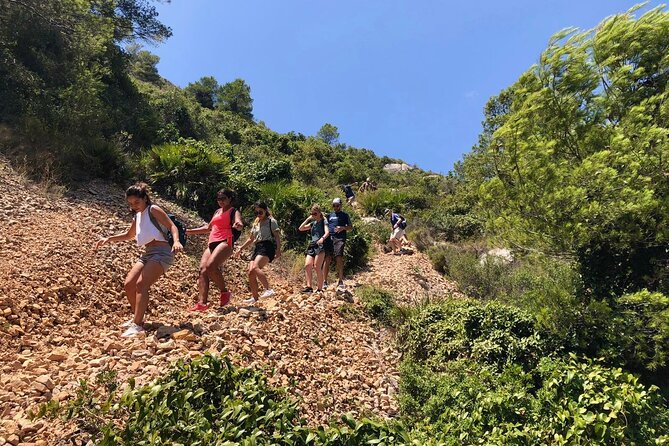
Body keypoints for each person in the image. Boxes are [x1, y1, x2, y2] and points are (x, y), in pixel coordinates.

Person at [95, 182, 183, 337]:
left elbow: (172, 226)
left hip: (163, 252)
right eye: (130, 203)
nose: (134, 205)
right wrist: (108, 238)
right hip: (148, 253)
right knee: (129, 284)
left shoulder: (153, 209)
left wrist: (176, 241)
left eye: (137, 202)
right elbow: (129, 235)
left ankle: (137, 325)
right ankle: (138, 318)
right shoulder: (137, 216)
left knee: (141, 284)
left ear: (145, 198)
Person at [185, 189, 243, 311]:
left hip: (225, 241)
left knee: (211, 266)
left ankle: (224, 292)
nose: (221, 201)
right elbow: (208, 228)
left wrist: (238, 225)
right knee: (202, 270)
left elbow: (238, 221)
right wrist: (188, 232)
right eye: (219, 199)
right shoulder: (217, 212)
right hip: (212, 242)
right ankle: (202, 303)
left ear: (230, 199)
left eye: (224, 198)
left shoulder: (234, 211)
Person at [234, 201, 282, 305]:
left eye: (260, 212)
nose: (258, 215)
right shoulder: (256, 223)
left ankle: (269, 289)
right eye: (256, 213)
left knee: (255, 267)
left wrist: (278, 250)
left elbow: (277, 237)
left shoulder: (271, 221)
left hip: (267, 246)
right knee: (251, 272)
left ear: (265, 210)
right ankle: (255, 298)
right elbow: (251, 239)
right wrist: (241, 248)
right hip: (258, 247)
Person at [323, 197, 353, 291]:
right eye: (334, 205)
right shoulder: (329, 215)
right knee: (327, 258)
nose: (336, 207)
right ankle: (324, 281)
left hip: (339, 238)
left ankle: (340, 281)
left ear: (341, 205)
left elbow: (350, 227)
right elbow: (325, 225)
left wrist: (343, 228)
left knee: (339, 257)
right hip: (329, 238)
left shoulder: (345, 215)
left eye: (337, 205)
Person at [298, 204, 329, 293]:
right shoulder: (313, 224)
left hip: (320, 245)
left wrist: (322, 239)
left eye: (315, 214)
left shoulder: (323, 221)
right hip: (312, 245)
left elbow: (327, 232)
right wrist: (308, 219)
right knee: (307, 265)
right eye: (312, 214)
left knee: (317, 267)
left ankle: (320, 288)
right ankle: (309, 287)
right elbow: (301, 228)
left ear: (319, 213)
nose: (314, 215)